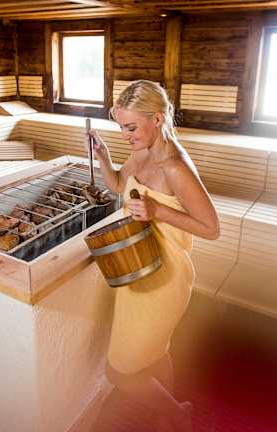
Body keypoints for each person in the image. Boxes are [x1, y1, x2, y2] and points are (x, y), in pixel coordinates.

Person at [88, 80, 220, 432]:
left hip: (166, 278)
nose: (125, 135)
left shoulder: (174, 167)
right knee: (157, 353)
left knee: (117, 371)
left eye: (131, 128)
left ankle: (176, 414)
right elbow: (118, 185)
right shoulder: (142, 152)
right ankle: (168, 416)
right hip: (140, 268)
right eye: (121, 128)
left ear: (157, 119)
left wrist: (157, 211)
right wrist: (103, 157)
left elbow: (211, 228)